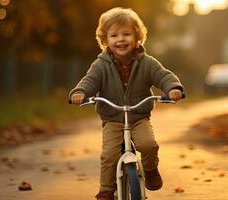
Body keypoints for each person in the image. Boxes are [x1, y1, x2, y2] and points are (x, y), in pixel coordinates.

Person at [69, 7, 184, 200]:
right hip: (113, 119)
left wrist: (173, 88)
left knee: (148, 145)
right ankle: (106, 189)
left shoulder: (147, 63)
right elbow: (90, 80)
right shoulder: (101, 65)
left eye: (126, 34)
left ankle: (150, 170)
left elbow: (163, 76)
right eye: (114, 35)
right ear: (105, 40)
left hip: (139, 117)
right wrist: (80, 92)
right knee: (109, 155)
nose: (120, 39)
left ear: (137, 37)